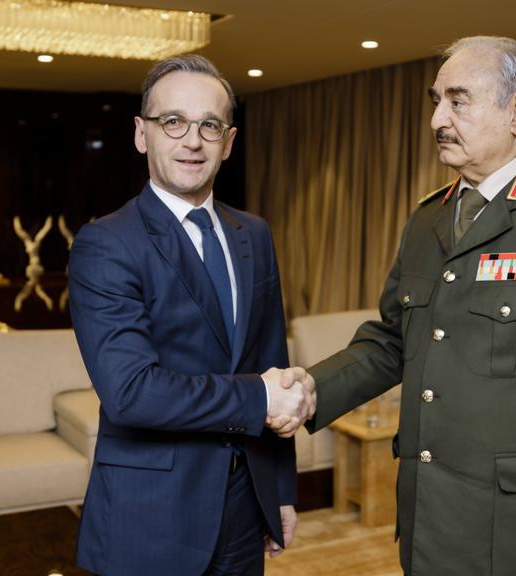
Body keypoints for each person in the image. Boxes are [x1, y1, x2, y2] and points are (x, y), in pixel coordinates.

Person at [300, 36, 516, 575]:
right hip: (427, 526)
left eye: (458, 100)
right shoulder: (428, 218)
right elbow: (395, 340)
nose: (437, 119)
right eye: (436, 101)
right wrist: (311, 389)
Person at [68, 54, 315, 575]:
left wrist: (281, 491)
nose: (192, 140)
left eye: (209, 125)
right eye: (173, 122)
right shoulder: (106, 243)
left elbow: (272, 361)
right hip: (151, 515)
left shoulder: (255, 233)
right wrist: (259, 396)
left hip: (245, 508)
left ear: (228, 142)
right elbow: (132, 392)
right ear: (142, 134)